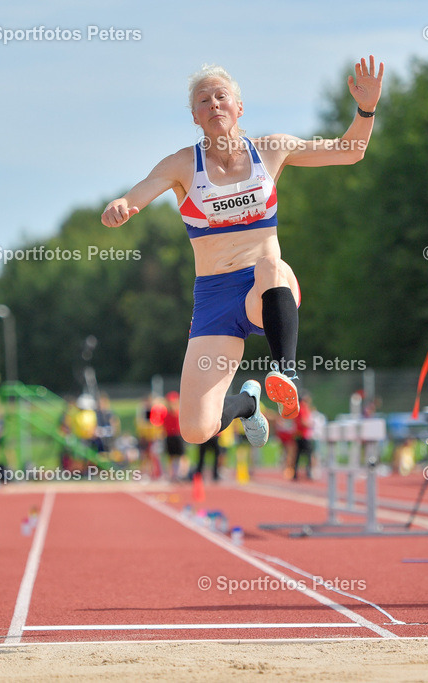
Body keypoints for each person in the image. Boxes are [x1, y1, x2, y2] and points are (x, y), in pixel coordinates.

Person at [101, 57, 384, 450]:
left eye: (222, 96)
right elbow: (141, 191)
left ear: (239, 107)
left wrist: (366, 108)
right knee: (196, 430)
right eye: (204, 101)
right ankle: (249, 403)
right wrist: (121, 204)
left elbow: (349, 150)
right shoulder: (183, 164)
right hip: (215, 299)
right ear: (195, 116)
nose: (214, 104)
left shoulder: (271, 150)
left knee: (270, 263)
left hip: (264, 289)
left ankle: (286, 372)